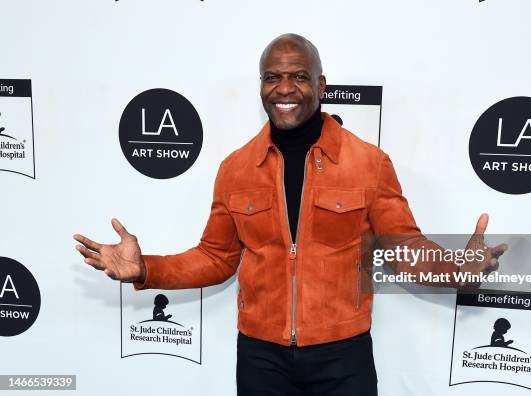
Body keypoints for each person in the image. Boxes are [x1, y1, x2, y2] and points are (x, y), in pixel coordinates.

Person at [74, 33, 507, 396]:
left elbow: (404, 249)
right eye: (272, 77)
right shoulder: (236, 168)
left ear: (321, 85)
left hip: (343, 354)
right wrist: (146, 268)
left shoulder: (368, 164)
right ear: (261, 86)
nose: (284, 88)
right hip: (262, 358)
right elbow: (216, 257)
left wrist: (456, 270)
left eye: (299, 76)